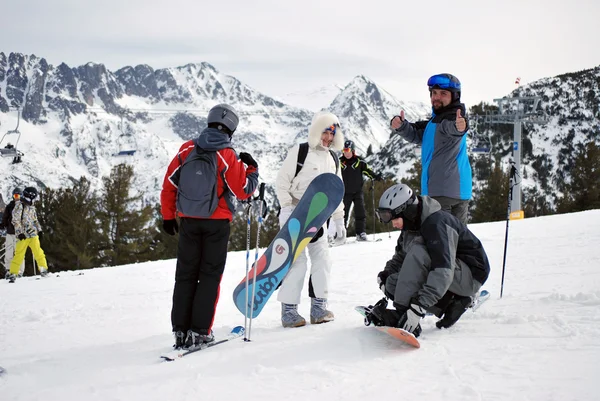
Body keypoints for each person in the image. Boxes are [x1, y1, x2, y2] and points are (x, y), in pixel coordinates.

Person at [161, 103, 259, 349]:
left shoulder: (186, 149)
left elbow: (170, 183)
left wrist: (168, 216)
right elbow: (244, 191)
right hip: (216, 225)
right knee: (208, 277)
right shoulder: (226, 155)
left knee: (185, 276)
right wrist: (252, 170)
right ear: (231, 129)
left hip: (189, 222)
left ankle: (180, 332)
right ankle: (200, 332)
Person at [365, 183, 490, 337]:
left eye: (394, 218)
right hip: (449, 272)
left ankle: (403, 313)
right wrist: (386, 275)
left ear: (407, 211)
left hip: (469, 275)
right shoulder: (410, 225)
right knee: (393, 285)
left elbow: (443, 270)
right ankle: (451, 303)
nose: (393, 223)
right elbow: (401, 256)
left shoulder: (436, 223)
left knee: (419, 252)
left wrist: (417, 308)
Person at [275, 111, 346, 328]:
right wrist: (286, 209)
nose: (328, 138)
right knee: (297, 262)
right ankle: (289, 311)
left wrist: (338, 219)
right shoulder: (300, 152)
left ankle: (319, 308)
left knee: (322, 259)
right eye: (325, 132)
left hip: (320, 216)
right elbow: (282, 182)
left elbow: (337, 191)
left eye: (332, 134)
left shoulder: (333, 158)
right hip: (296, 212)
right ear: (317, 131)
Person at [390, 73, 472, 224]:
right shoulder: (435, 122)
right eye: (434, 93)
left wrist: (461, 126)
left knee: (442, 242)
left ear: (454, 97)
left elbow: (455, 128)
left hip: (442, 194)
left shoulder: (449, 120)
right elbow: (418, 134)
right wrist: (401, 127)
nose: (436, 97)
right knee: (457, 241)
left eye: (443, 94)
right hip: (457, 191)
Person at [338, 139, 382, 242]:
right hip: (345, 193)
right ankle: (341, 235)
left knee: (360, 213)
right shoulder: (339, 162)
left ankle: (360, 233)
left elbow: (368, 171)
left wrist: (375, 177)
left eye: (348, 150)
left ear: (353, 151)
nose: (346, 153)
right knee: (342, 214)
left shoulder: (359, 162)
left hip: (358, 191)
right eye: (344, 150)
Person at [7, 187, 49, 282]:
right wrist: (20, 233)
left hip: (33, 234)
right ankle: (13, 273)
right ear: (31, 195)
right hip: (23, 236)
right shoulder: (19, 206)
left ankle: (43, 269)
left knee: (38, 252)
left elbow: (35, 220)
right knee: (19, 255)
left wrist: (40, 230)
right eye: (34, 196)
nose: (35, 198)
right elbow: (15, 220)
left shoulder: (32, 206)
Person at [1, 188, 25, 278]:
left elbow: (25, 219)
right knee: (8, 251)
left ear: (21, 196)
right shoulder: (10, 206)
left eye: (18, 195)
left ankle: (19, 271)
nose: (16, 197)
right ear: (13, 196)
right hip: (10, 232)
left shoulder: (23, 206)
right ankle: (9, 270)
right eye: (15, 195)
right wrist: (3, 224)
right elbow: (5, 217)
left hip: (19, 233)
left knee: (19, 252)